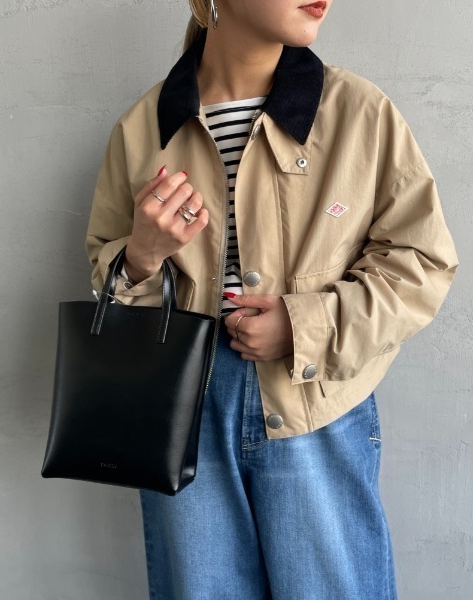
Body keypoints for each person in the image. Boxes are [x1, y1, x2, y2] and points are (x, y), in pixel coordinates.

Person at [85, 0, 458, 598]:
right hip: (180, 414)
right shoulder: (143, 129)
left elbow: (422, 262)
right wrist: (142, 256)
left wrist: (302, 326)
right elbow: (110, 290)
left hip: (314, 402)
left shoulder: (358, 112)